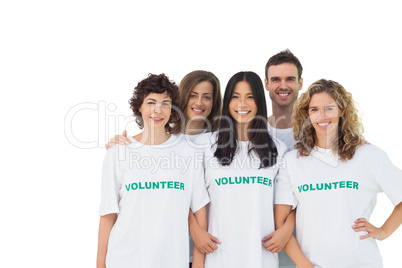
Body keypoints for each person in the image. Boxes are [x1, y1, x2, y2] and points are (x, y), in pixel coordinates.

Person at [274, 79, 402, 267]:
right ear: (307, 114)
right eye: (314, 110)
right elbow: (280, 222)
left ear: (342, 110)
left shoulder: (368, 155)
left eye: (329, 108)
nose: (322, 116)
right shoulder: (292, 161)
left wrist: (383, 231)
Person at [105, 70, 223, 267]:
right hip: (161, 248)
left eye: (207, 97)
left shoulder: (218, 142)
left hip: (205, 247)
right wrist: (120, 146)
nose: (199, 102)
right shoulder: (162, 140)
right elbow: (165, 191)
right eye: (193, 95)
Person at [195, 71, 294, 267]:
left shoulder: (278, 149)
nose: (242, 104)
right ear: (227, 102)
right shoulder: (204, 144)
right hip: (217, 258)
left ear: (259, 101)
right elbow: (189, 201)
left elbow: (291, 202)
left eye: (250, 97)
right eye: (235, 97)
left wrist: (287, 228)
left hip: (262, 259)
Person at [264, 49, 303, 268]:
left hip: (303, 238)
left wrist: (287, 227)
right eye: (276, 79)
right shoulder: (254, 130)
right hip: (259, 237)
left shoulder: (316, 133)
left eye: (290, 79)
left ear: (300, 83)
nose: (283, 86)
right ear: (267, 84)